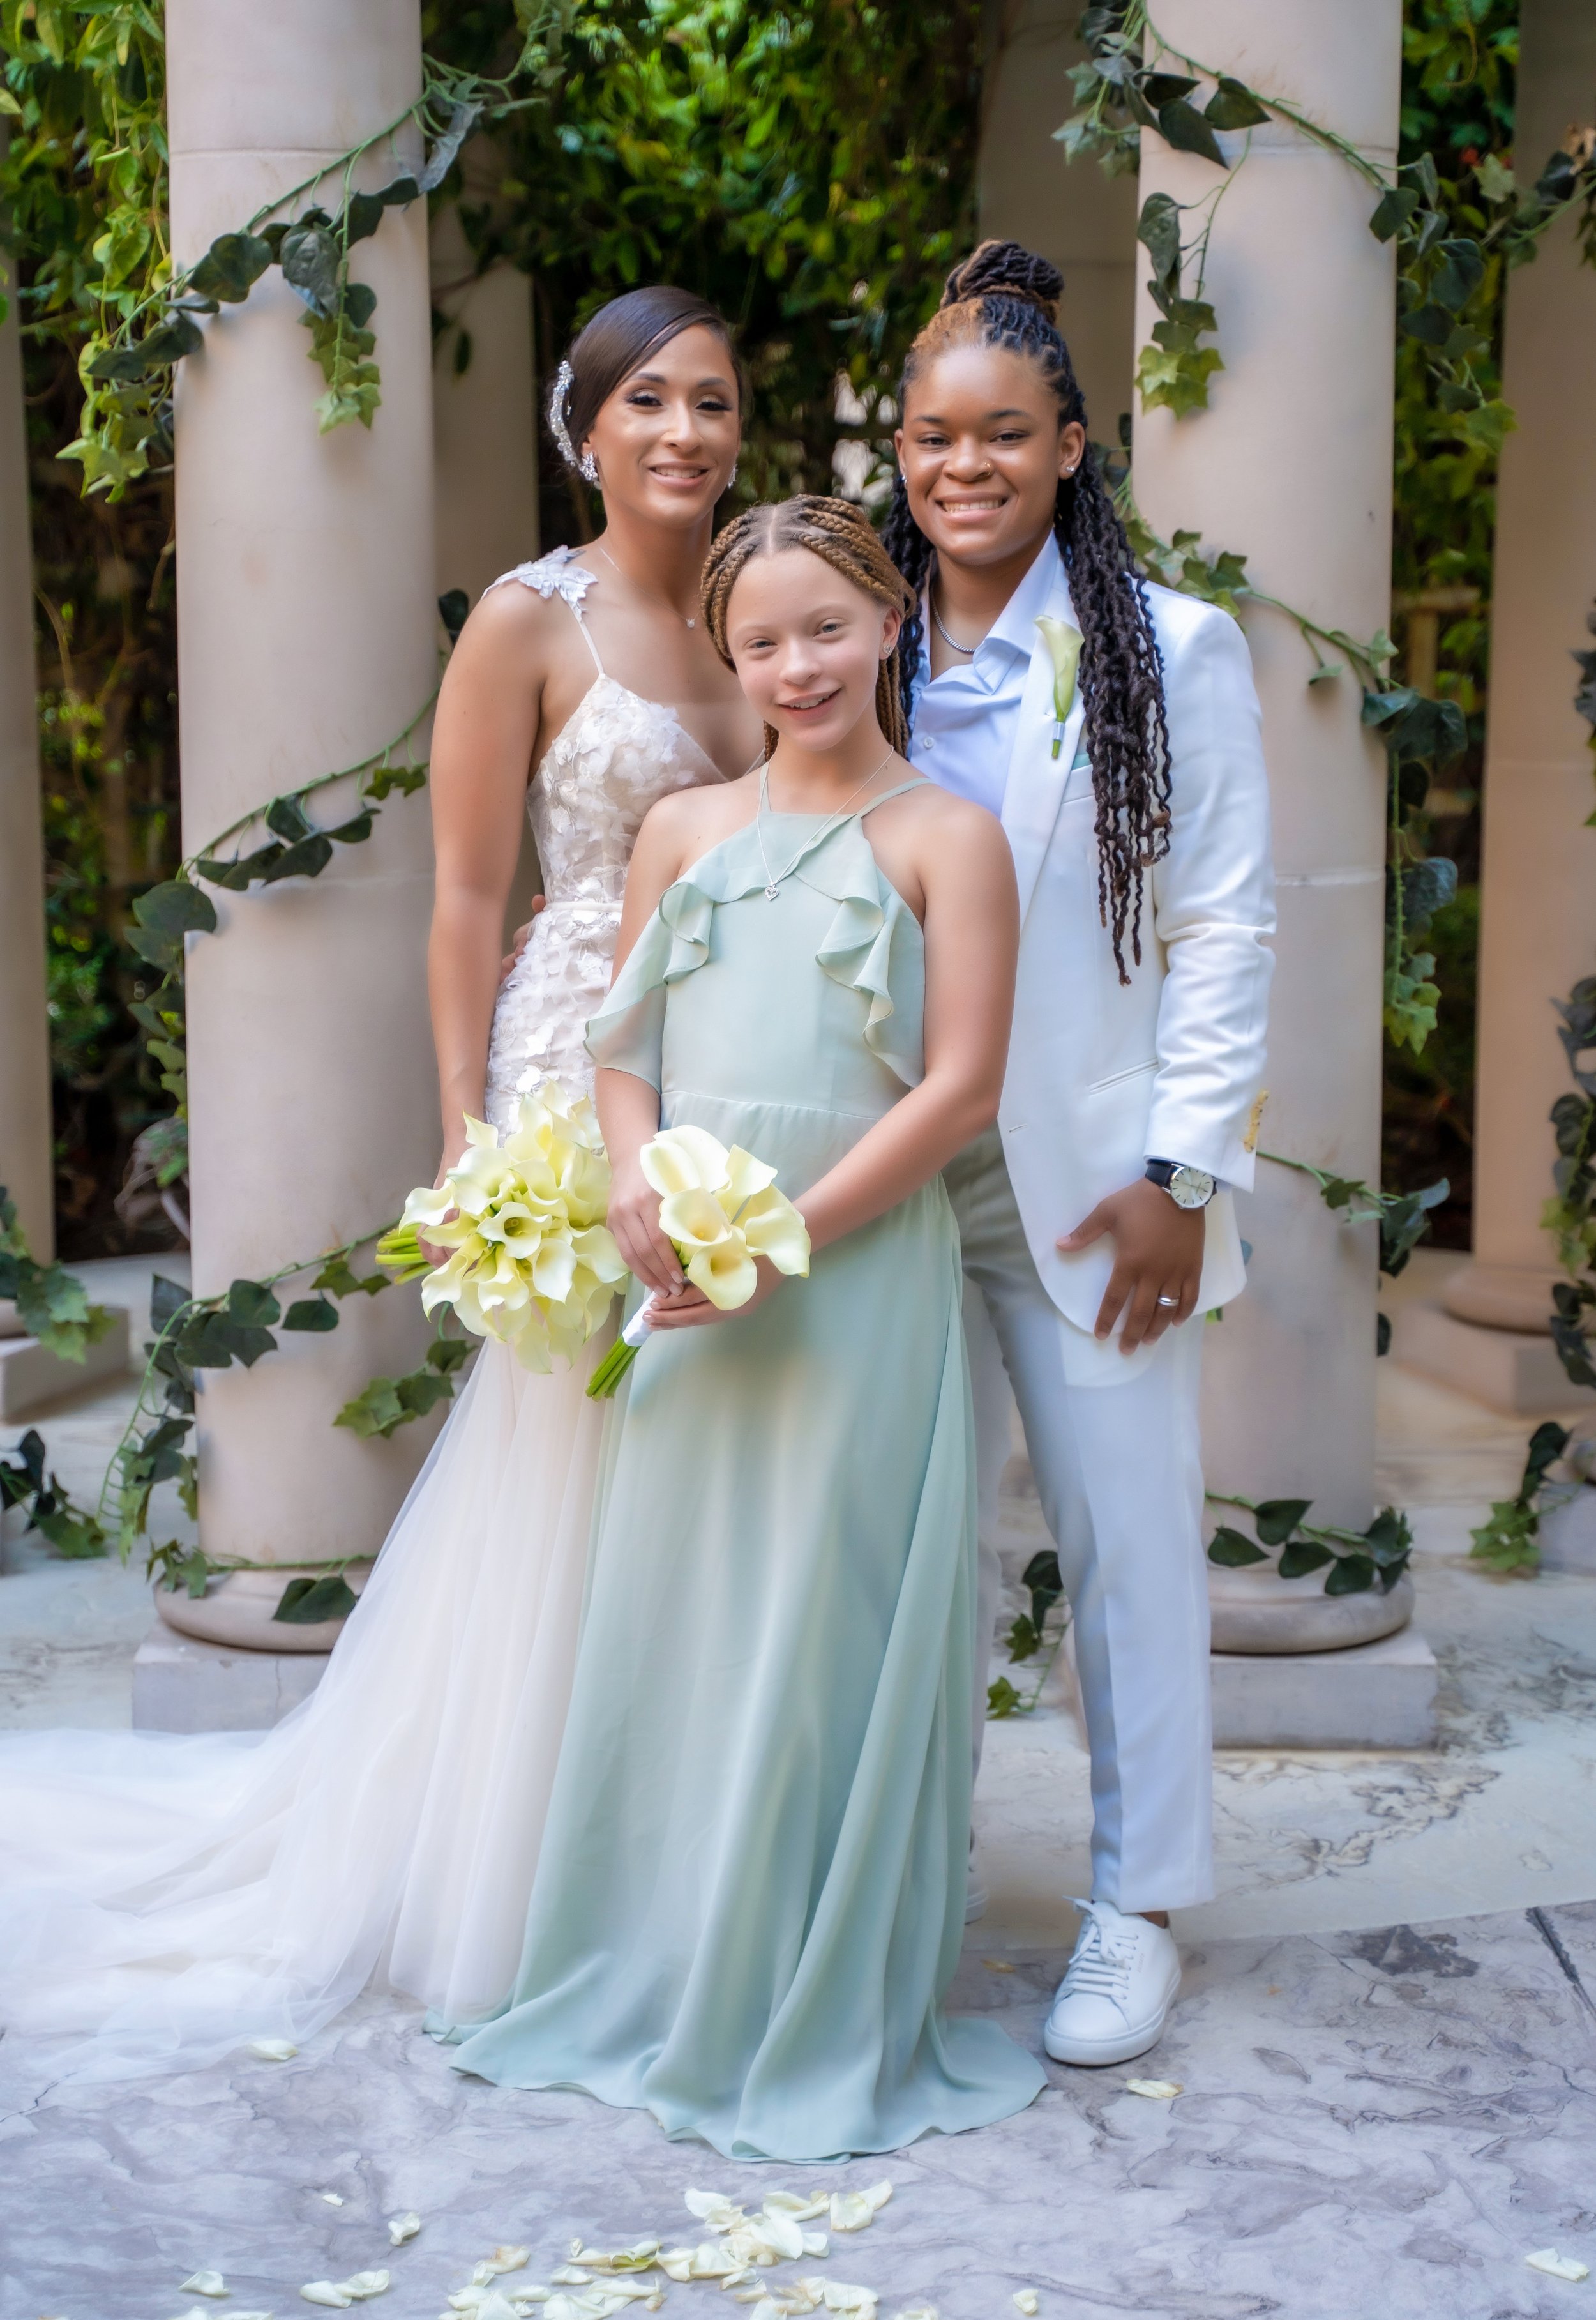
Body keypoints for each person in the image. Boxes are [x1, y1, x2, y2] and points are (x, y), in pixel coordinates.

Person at [0, 286, 762, 2081]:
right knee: (576, 1448)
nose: (684, 432)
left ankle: (692, 1827)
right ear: (586, 427)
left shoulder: (758, 601)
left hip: (751, 1063)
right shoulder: (527, 619)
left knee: (723, 1443)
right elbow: (467, 897)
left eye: (715, 402)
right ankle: (529, 1857)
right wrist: (467, 1130)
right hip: (579, 1057)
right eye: (649, 401)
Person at [439, 497, 1044, 2160]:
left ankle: (814, 1988)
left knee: (828, 1623)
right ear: (731, 653)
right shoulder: (683, 829)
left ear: (890, 624)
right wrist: (641, 1178)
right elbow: (622, 1044)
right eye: (762, 640)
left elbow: (961, 1088)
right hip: (692, 1291)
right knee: (684, 1617)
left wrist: (787, 1240)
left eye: (827, 629)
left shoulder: (949, 840)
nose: (797, 666)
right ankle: (660, 1960)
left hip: (855, 1279)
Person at [882, 241, 1274, 2066]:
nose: (962, 466)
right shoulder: (852, 641)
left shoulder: (1171, 651)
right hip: (888, 1167)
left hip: (1095, 1179)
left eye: (1001, 434)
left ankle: (1139, 1905)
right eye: (930, 436)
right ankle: (899, 1877)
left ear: (1068, 445)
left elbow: (1226, 927)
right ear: (897, 450)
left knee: (1125, 1543)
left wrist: (1184, 1174)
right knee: (893, 1541)